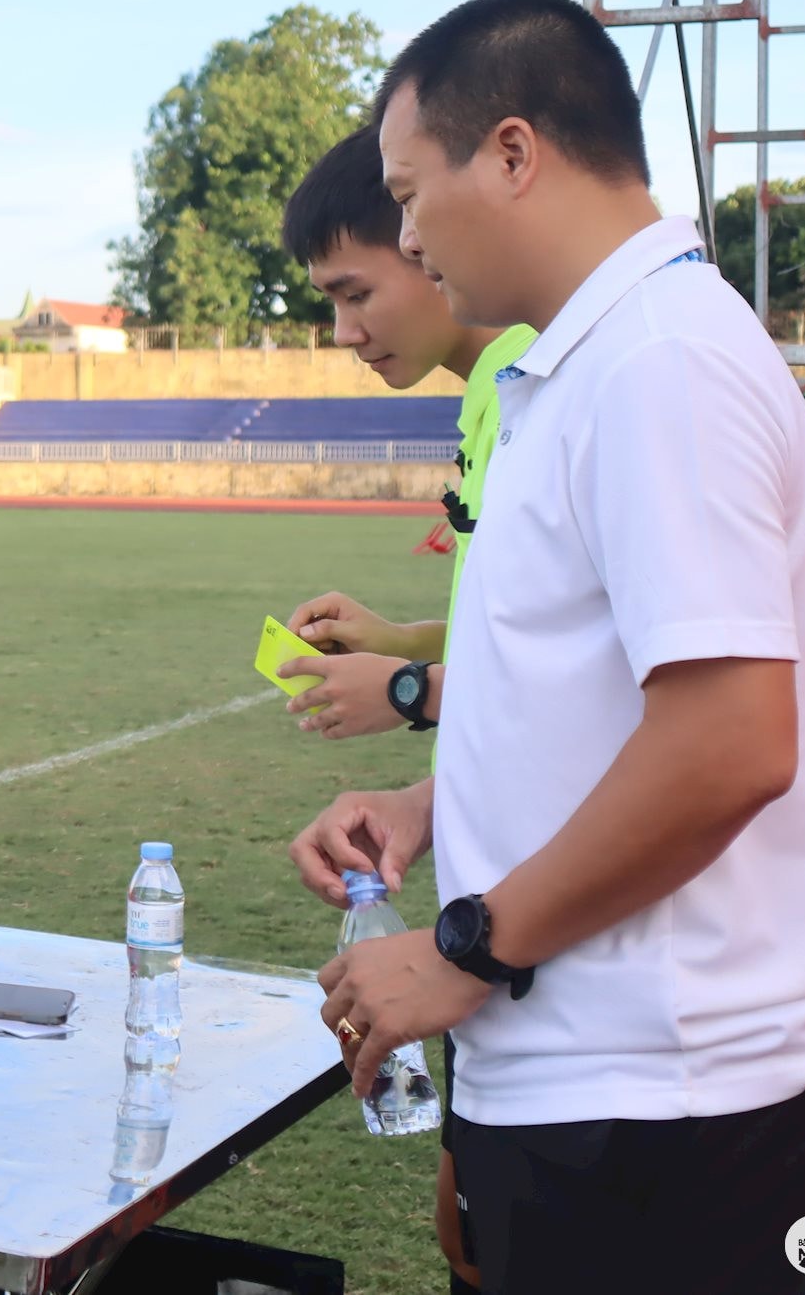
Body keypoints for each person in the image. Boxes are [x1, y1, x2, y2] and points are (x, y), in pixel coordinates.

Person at [294, 0, 805, 1295]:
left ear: (511, 151)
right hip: (598, 1090)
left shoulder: (660, 362)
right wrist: (432, 800)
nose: (410, 229)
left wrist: (458, 950)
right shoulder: (584, 368)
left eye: (409, 190)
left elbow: (728, 746)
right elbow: (609, 702)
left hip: (667, 1104)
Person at [276, 122, 534, 1295]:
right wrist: (402, 642)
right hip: (507, 927)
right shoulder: (494, 390)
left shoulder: (543, 375)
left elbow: (600, 684)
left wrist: (407, 690)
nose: (343, 332)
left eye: (352, 290)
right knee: (464, 1229)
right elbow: (521, 634)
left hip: (556, 960)